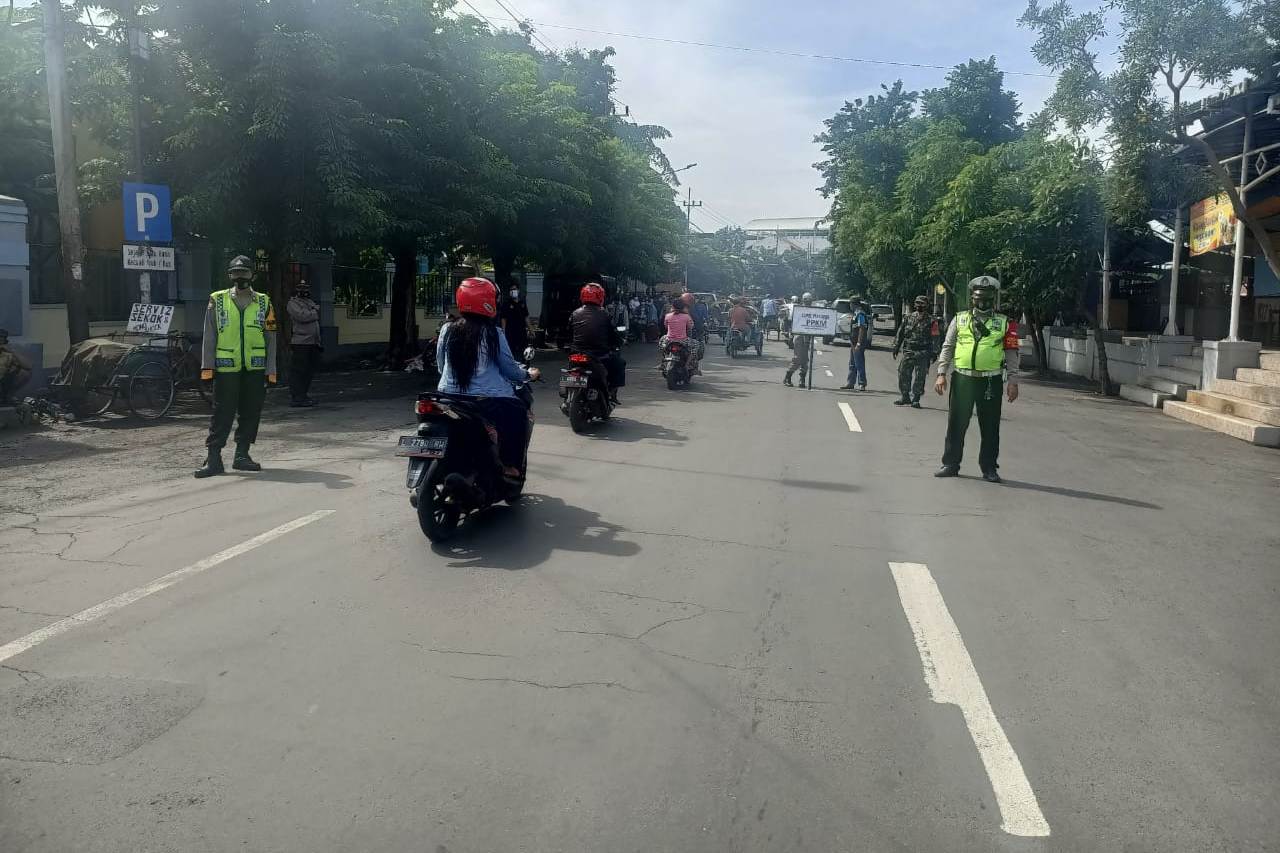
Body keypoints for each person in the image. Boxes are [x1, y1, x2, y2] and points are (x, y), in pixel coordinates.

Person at [437, 278, 540, 479]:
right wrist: (528, 374)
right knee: (519, 412)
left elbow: (441, 366)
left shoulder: (447, 329)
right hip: (485, 400)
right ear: (490, 302)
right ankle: (510, 466)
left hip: (447, 396)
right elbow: (510, 370)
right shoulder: (493, 333)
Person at [195, 255, 278, 478]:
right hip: (226, 369)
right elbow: (210, 336)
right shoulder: (217, 300)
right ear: (229, 275)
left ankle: (242, 455)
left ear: (253, 275)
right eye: (236, 273)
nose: (240, 277)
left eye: (244, 272)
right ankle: (214, 458)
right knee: (222, 413)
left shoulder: (264, 302)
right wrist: (207, 368)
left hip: (255, 368)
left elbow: (271, 337)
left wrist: (271, 371)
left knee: (251, 412)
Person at [934, 275, 1019, 483]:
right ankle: (950, 464)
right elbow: (948, 346)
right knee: (956, 424)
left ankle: (989, 467)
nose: (982, 303)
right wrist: (941, 373)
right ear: (972, 299)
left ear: (993, 300)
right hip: (963, 379)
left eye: (987, 299)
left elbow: (1012, 353)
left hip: (990, 381)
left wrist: (1013, 381)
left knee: (990, 427)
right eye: (978, 298)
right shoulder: (960, 319)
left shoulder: (1005, 323)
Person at [570, 282, 626, 401]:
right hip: (598, 355)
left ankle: (568, 397)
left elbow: (568, 332)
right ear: (600, 297)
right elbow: (612, 334)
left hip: (577, 354)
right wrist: (619, 342)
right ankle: (611, 392)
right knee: (620, 363)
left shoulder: (575, 313)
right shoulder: (604, 314)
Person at [893, 295, 936, 407]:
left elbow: (935, 337)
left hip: (923, 352)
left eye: (922, 303)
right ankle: (905, 396)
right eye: (917, 303)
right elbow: (900, 332)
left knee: (920, 376)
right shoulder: (908, 317)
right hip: (909, 350)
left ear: (927, 305)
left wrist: (934, 352)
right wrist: (896, 346)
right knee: (903, 373)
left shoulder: (932, 320)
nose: (919, 305)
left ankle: (916, 398)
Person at [286, 280, 321, 407]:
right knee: (298, 371)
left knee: (308, 371)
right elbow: (302, 316)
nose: (304, 291)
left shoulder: (309, 302)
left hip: (313, 342)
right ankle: (297, 397)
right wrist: (314, 312)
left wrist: (313, 311)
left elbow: (312, 312)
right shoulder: (292, 303)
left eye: (306, 288)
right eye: (301, 288)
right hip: (301, 342)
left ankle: (303, 395)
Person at [659, 295, 703, 374]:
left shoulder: (668, 316)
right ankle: (688, 364)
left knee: (661, 342)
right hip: (683, 340)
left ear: (672, 306)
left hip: (669, 340)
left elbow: (665, 326)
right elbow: (691, 327)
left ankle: (663, 361)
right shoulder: (686, 316)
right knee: (697, 345)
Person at [783, 292, 815, 387]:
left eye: (809, 301)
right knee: (797, 359)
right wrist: (790, 334)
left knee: (805, 360)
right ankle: (787, 377)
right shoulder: (798, 310)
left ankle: (802, 380)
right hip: (799, 336)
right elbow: (791, 322)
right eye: (806, 301)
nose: (808, 302)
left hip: (807, 337)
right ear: (803, 300)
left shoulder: (813, 310)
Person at [0, 328, 33, 404]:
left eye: (1, 339)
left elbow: (28, 366)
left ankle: (7, 395)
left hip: (3, 383)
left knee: (24, 373)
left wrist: (12, 351)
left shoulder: (8, 354)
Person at [843, 300, 870, 390]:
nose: (850, 305)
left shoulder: (860, 314)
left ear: (854, 304)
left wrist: (858, 343)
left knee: (859, 363)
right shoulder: (855, 314)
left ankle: (862, 383)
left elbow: (862, 329)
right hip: (853, 342)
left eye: (851, 303)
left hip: (858, 343)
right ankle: (850, 383)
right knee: (852, 363)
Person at [499, 284, 530, 356]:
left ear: (518, 291)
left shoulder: (522, 303)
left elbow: (526, 317)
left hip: (522, 331)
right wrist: (503, 331)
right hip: (511, 332)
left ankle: (523, 362)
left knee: (523, 351)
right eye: (511, 290)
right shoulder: (506, 304)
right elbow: (503, 319)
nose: (513, 291)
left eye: (514, 289)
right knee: (511, 351)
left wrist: (530, 329)